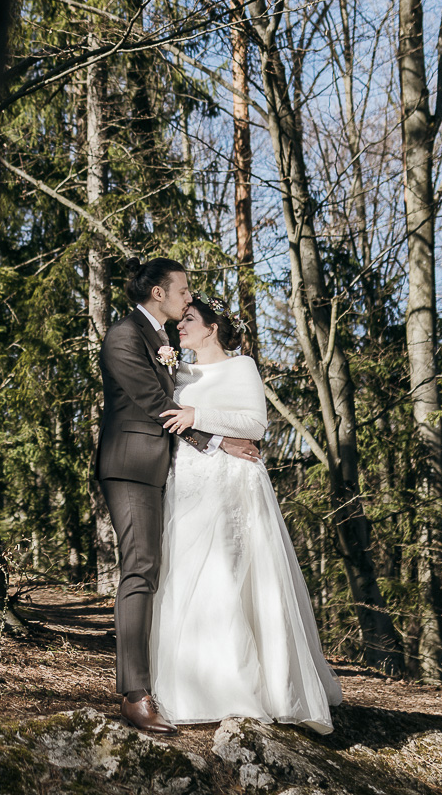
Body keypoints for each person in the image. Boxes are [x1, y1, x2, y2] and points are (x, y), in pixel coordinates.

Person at [149, 293, 343, 734]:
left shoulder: (242, 367)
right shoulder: (176, 370)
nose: (180, 326)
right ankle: (200, 686)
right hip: (189, 482)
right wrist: (206, 429)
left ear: (212, 328)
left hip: (233, 484)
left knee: (235, 575)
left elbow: (255, 425)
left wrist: (199, 412)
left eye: (189, 319)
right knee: (188, 575)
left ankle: (258, 688)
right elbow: (171, 423)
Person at [95, 258, 261, 735]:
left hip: (163, 470)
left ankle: (169, 680)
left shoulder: (163, 340)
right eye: (183, 290)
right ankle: (133, 695)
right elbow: (157, 404)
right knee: (141, 568)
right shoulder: (125, 337)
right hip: (130, 468)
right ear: (157, 294)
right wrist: (219, 441)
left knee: (161, 570)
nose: (189, 297)